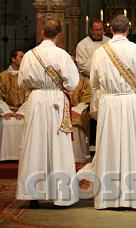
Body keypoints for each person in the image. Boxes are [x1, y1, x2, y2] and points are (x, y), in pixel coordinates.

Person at [87, 14, 136, 209]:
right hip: (131, 102)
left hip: (109, 103)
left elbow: (94, 82)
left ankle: (107, 198)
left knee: (109, 146)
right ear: (129, 28)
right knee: (131, 146)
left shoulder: (100, 52)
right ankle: (133, 198)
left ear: (110, 29)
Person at [16, 20, 79, 207]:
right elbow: (72, 83)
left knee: (34, 145)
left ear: (42, 32)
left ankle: (32, 195)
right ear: (59, 35)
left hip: (35, 101)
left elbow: (21, 83)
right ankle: (61, 195)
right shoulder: (62, 55)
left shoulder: (29, 55)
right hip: (55, 101)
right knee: (58, 146)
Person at [0, 49, 28, 160]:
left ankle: (22, 157)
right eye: (21, 56)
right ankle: (6, 157)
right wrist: (6, 111)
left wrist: (22, 111)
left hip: (22, 110)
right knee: (7, 123)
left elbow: (29, 97)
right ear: (13, 59)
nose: (24, 58)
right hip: (6, 110)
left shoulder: (26, 76)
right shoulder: (3, 76)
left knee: (23, 122)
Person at [70, 71, 92, 164]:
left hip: (78, 110)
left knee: (76, 120)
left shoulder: (81, 80)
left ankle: (78, 157)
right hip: (61, 111)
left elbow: (87, 99)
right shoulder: (57, 80)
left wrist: (76, 110)